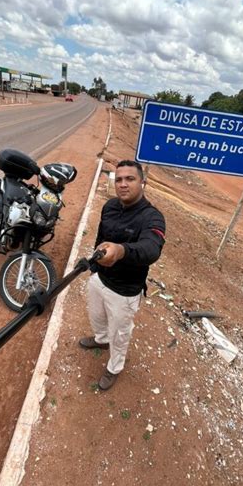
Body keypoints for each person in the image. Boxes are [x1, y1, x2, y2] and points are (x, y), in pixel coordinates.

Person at [79, 160, 166, 390]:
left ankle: (114, 367)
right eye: (118, 179)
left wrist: (121, 250)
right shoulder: (109, 207)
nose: (123, 184)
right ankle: (100, 340)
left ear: (143, 183)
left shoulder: (152, 218)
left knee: (120, 334)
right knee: (97, 318)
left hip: (124, 292)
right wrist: (95, 269)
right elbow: (100, 239)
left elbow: (151, 248)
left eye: (130, 179)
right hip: (100, 280)